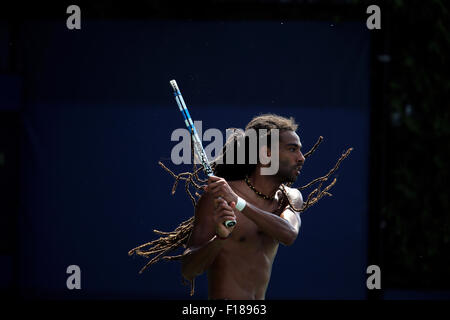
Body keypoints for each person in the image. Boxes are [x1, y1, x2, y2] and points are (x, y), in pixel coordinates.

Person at [181, 114, 304, 300]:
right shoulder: (216, 198)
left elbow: (289, 234)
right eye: (292, 149)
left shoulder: (290, 197)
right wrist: (220, 238)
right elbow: (189, 269)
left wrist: (238, 202)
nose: (301, 158)